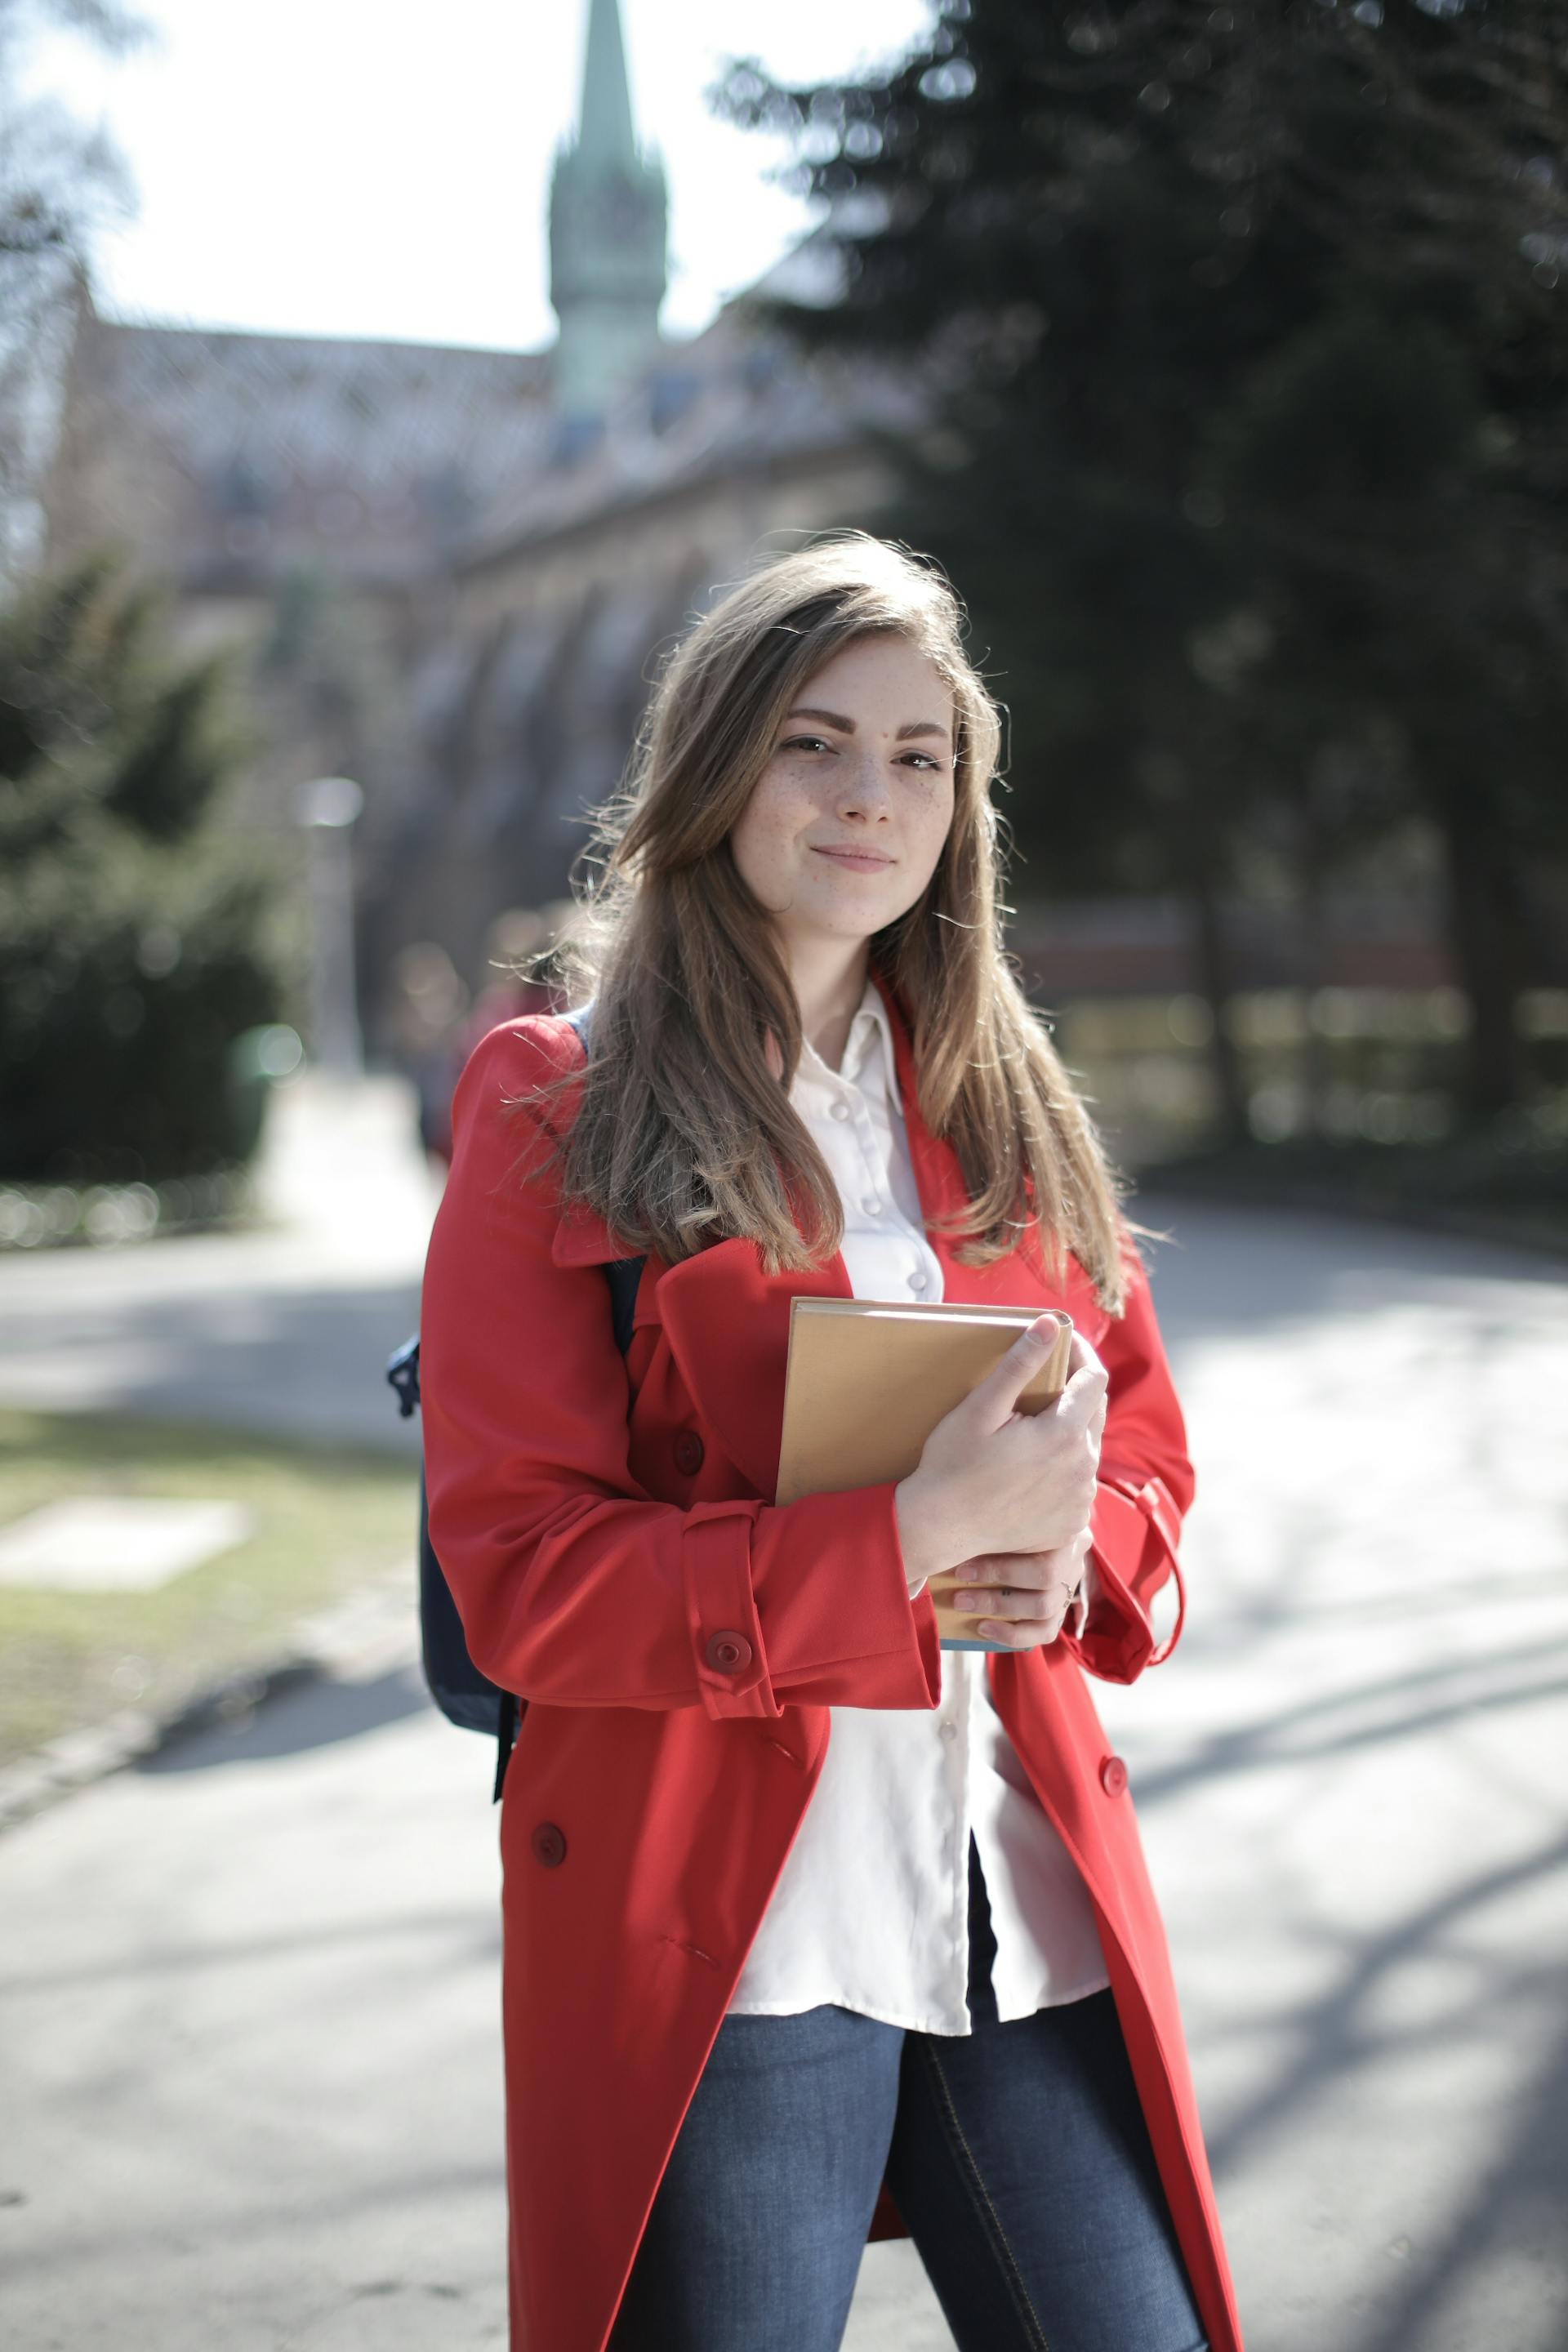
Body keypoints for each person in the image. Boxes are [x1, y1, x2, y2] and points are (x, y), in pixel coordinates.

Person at [418, 532, 1245, 2352]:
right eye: (815, 742)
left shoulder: (997, 1084)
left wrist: (1074, 1555)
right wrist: (899, 1543)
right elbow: (524, 1586)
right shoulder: (553, 1094)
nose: (872, 795)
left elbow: (1151, 1455)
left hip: (1013, 1899)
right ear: (716, 769)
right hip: (737, 1939)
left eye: (919, 755)